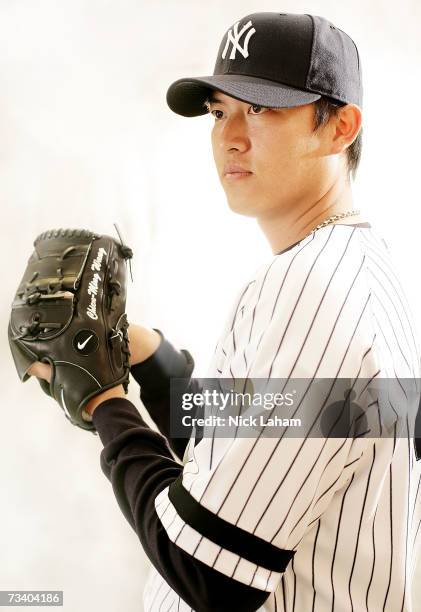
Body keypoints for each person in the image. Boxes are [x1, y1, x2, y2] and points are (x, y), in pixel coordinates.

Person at [29, 12, 421, 612]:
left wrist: (103, 401)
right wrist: (139, 352)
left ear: (340, 127)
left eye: (261, 109)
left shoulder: (313, 288)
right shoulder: (353, 266)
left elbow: (208, 570)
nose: (229, 136)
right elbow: (262, 438)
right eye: (219, 111)